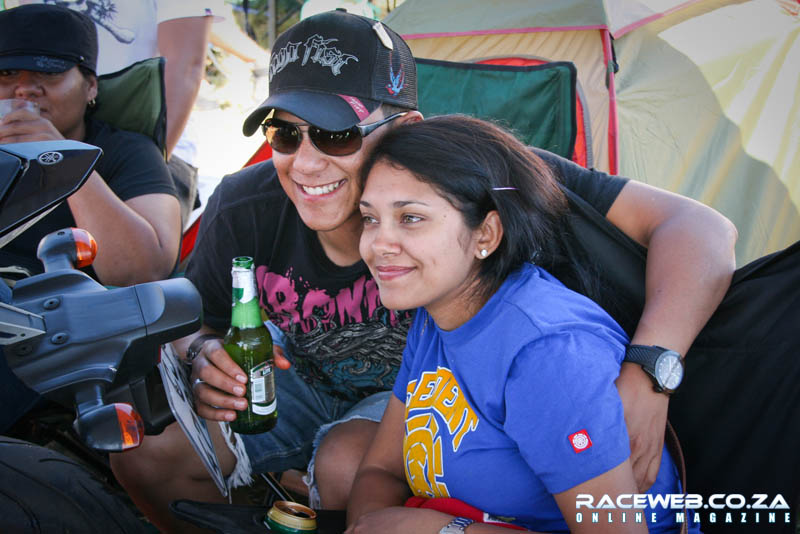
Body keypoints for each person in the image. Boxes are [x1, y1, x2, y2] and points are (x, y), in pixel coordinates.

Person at [109, 10, 735, 533]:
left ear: (404, 129)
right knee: (144, 456)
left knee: (346, 466)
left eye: (334, 133)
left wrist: (651, 370)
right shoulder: (250, 204)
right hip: (328, 381)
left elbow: (704, 231)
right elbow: (203, 323)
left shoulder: (479, 177)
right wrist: (204, 357)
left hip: (455, 404)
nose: (303, 162)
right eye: (283, 133)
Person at [346, 113, 698, 534]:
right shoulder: (435, 315)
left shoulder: (546, 351)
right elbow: (381, 470)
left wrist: (441, 531)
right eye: (370, 218)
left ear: (486, 235)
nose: (379, 243)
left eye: (411, 218)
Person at [0, 4, 181, 287]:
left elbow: (144, 272)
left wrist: (63, 159)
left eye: (49, 73)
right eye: (7, 74)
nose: (25, 89)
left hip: (83, 316)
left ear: (91, 86)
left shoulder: (126, 150)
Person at [5, 0, 227, 227]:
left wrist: (150, 166)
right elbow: (25, 32)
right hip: (36, 134)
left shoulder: (136, 153)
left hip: (145, 138)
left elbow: (185, 66)